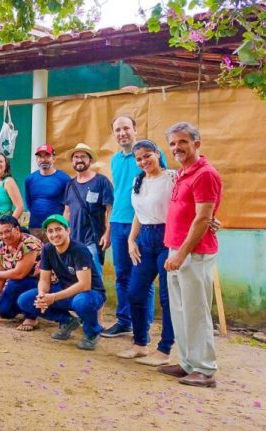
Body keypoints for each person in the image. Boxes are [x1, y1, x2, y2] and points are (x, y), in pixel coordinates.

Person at [158, 122, 222, 388]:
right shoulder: (183, 173)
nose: (176, 148)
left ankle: (204, 369)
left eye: (182, 142)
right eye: (172, 143)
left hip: (192, 253)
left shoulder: (205, 174)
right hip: (177, 250)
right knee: (180, 311)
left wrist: (181, 254)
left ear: (197, 143)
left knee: (196, 311)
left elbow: (203, 218)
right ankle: (187, 363)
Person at [116, 140, 176, 366]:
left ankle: (164, 350)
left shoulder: (172, 177)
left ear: (157, 154)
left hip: (168, 238)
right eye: (139, 159)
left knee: (167, 296)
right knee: (135, 292)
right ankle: (140, 344)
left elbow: (189, 204)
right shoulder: (137, 181)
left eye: (147, 156)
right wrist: (132, 240)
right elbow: (139, 214)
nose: (143, 161)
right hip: (144, 240)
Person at [102, 115, 163, 338]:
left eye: (126, 128)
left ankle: (142, 324)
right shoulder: (115, 160)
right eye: (117, 130)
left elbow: (161, 182)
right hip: (118, 223)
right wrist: (109, 227)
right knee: (122, 275)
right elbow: (118, 192)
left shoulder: (149, 155)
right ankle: (124, 320)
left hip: (144, 223)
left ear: (135, 130)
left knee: (143, 276)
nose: (122, 133)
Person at [17, 214, 106, 350]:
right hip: (66, 292)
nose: (54, 234)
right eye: (50, 231)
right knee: (25, 300)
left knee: (81, 302)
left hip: (90, 293)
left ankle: (92, 332)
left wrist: (53, 297)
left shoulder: (79, 250)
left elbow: (84, 285)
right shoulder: (47, 249)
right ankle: (68, 321)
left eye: (58, 229)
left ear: (68, 231)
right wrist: (42, 295)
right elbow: (44, 279)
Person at [63, 143, 114, 280]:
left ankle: (101, 302)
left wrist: (107, 233)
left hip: (93, 238)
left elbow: (110, 210)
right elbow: (67, 211)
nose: (79, 160)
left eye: (83, 156)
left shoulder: (101, 181)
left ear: (90, 160)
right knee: (74, 276)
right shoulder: (70, 184)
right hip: (73, 239)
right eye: (76, 157)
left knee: (95, 275)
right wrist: (62, 231)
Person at [0, 215, 43, 331]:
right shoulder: (0, 248)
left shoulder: (29, 243)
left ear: (17, 229)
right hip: (17, 283)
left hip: (40, 282)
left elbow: (19, 274)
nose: (4, 236)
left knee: (15, 282)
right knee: (4, 311)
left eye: (7, 231)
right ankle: (25, 307)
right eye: (0, 233)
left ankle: (31, 316)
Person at [24, 144, 70, 242]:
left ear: (54, 158)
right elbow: (29, 202)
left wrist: (64, 226)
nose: (43, 159)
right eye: (40, 156)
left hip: (55, 228)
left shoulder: (64, 179)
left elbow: (69, 206)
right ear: (36, 159)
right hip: (34, 228)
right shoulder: (30, 179)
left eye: (47, 156)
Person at [0, 152, 24, 242]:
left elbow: (20, 206)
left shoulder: (8, 181)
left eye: (0, 161)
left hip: (2, 226)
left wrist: (8, 225)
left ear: (6, 166)